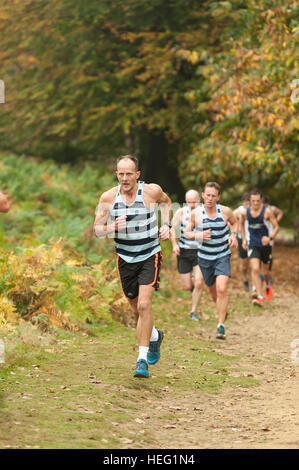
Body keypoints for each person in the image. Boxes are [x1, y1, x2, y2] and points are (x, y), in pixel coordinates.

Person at [93, 155, 172, 379]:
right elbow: (97, 229)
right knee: (136, 310)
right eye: (121, 174)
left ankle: (142, 360)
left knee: (145, 305)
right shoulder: (108, 197)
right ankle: (155, 335)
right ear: (116, 174)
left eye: (129, 174)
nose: (125, 178)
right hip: (125, 259)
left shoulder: (151, 191)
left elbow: (166, 203)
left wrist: (166, 225)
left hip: (150, 254)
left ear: (138, 174)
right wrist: (111, 227)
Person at [185, 182, 238, 340]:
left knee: (222, 289)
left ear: (218, 197)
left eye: (213, 196)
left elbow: (235, 223)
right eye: (207, 195)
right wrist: (198, 235)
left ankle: (221, 326)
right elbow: (187, 233)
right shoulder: (196, 213)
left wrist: (233, 235)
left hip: (222, 255)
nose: (210, 198)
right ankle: (222, 310)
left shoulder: (226, 211)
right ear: (203, 195)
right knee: (214, 292)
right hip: (204, 258)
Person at [241, 189, 279, 307]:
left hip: (265, 245)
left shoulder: (267, 212)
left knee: (265, 272)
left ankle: (267, 285)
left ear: (261, 200)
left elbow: (276, 227)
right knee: (255, 269)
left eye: (258, 201)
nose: (256, 203)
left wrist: (270, 238)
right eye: (253, 201)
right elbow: (241, 224)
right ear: (250, 201)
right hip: (253, 244)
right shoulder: (245, 213)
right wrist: (243, 239)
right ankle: (259, 297)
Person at [170, 190, 204, 321]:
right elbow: (172, 228)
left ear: (199, 200)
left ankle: (193, 312)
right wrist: (174, 244)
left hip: (200, 251)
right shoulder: (181, 212)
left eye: (194, 202)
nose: (192, 205)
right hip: (184, 251)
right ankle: (194, 288)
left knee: (199, 282)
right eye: (189, 202)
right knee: (187, 286)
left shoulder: (204, 212)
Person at [261, 196, 284, 283]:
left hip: (271, 233)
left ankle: (268, 274)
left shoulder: (272, 209)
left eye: (265, 205)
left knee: (269, 254)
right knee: (259, 253)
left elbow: (280, 212)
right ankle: (262, 273)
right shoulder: (259, 209)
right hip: (261, 234)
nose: (264, 206)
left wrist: (276, 220)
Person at [233, 193, 250, 292]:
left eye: (249, 203)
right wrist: (235, 231)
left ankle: (257, 282)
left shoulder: (254, 210)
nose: (247, 205)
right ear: (242, 202)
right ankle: (245, 279)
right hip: (241, 238)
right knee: (244, 265)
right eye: (245, 203)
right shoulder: (238, 211)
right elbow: (230, 220)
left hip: (253, 239)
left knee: (255, 262)